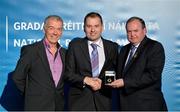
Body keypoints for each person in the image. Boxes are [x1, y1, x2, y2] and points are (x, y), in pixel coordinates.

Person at [108, 16, 167, 111]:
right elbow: (119, 72)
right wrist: (106, 79)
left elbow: (152, 76)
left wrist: (125, 82)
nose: (132, 34)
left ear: (144, 30)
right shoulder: (124, 49)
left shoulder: (155, 47)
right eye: (129, 31)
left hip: (147, 106)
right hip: (125, 106)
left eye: (136, 31)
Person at [65, 12, 118, 111]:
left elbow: (113, 71)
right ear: (84, 28)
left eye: (96, 26)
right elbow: (68, 74)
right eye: (89, 26)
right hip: (79, 102)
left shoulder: (112, 47)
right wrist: (86, 80)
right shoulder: (75, 45)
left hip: (104, 101)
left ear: (102, 27)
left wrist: (102, 83)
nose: (92, 30)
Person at [12, 15, 66, 111]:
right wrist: (32, 95)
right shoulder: (31, 50)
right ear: (44, 29)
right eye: (51, 28)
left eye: (59, 29)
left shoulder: (65, 53)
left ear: (61, 32)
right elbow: (17, 77)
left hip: (58, 107)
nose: (55, 32)